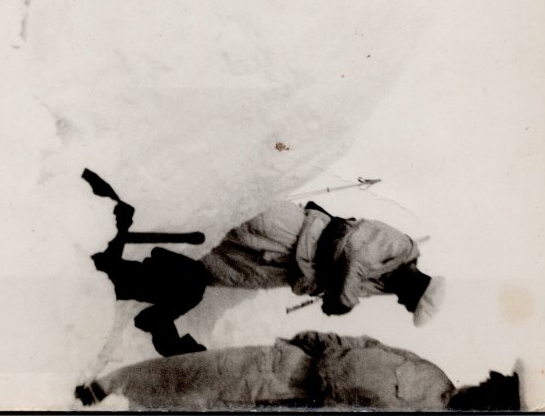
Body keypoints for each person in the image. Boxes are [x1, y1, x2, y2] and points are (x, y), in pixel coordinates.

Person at [84, 172, 444, 358]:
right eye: (409, 302)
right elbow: (353, 251)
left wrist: (330, 293)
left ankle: (114, 276)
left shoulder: (387, 285)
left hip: (280, 270)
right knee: (215, 220)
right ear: (421, 286)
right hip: (289, 233)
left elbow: (342, 278)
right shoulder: (402, 247)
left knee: (201, 268)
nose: (401, 303)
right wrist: (343, 299)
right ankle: (108, 217)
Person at [74, 332, 522, 410]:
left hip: (290, 402)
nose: (479, 388)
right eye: (488, 384)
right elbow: (367, 345)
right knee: (195, 371)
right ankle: (106, 385)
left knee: (198, 403)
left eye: (489, 398)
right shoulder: (434, 373)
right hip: (290, 364)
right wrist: (312, 340)